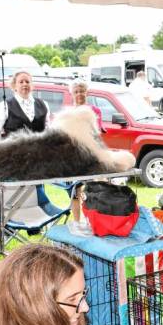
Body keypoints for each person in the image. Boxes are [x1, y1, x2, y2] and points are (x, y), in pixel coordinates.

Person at [68, 80, 103, 231]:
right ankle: (76, 222)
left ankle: (91, 220)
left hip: (90, 156)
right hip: (73, 157)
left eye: (82, 91)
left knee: (92, 189)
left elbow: (97, 132)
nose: (79, 94)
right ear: (72, 94)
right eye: (76, 91)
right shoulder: (69, 112)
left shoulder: (95, 110)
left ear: (87, 92)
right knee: (75, 190)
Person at [0, 71, 50, 142]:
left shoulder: (44, 104)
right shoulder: (4, 106)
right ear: (14, 86)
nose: (25, 84)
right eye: (21, 82)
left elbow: (47, 130)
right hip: (12, 150)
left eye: (27, 82)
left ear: (32, 85)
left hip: (38, 150)